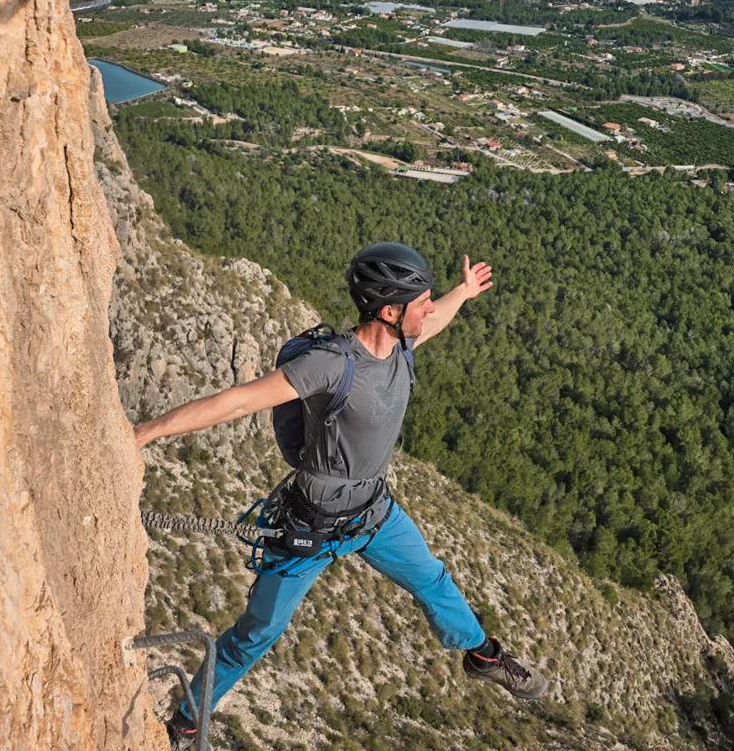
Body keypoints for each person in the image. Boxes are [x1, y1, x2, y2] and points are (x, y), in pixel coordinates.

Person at [134, 242, 547, 750]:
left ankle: (482, 655)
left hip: (373, 513)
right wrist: (145, 433)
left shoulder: (402, 346)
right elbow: (236, 402)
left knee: (434, 579)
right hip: (308, 526)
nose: (429, 307)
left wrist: (463, 291)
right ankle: (190, 719)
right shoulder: (331, 364)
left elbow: (435, 321)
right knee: (256, 633)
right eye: (420, 300)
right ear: (389, 311)